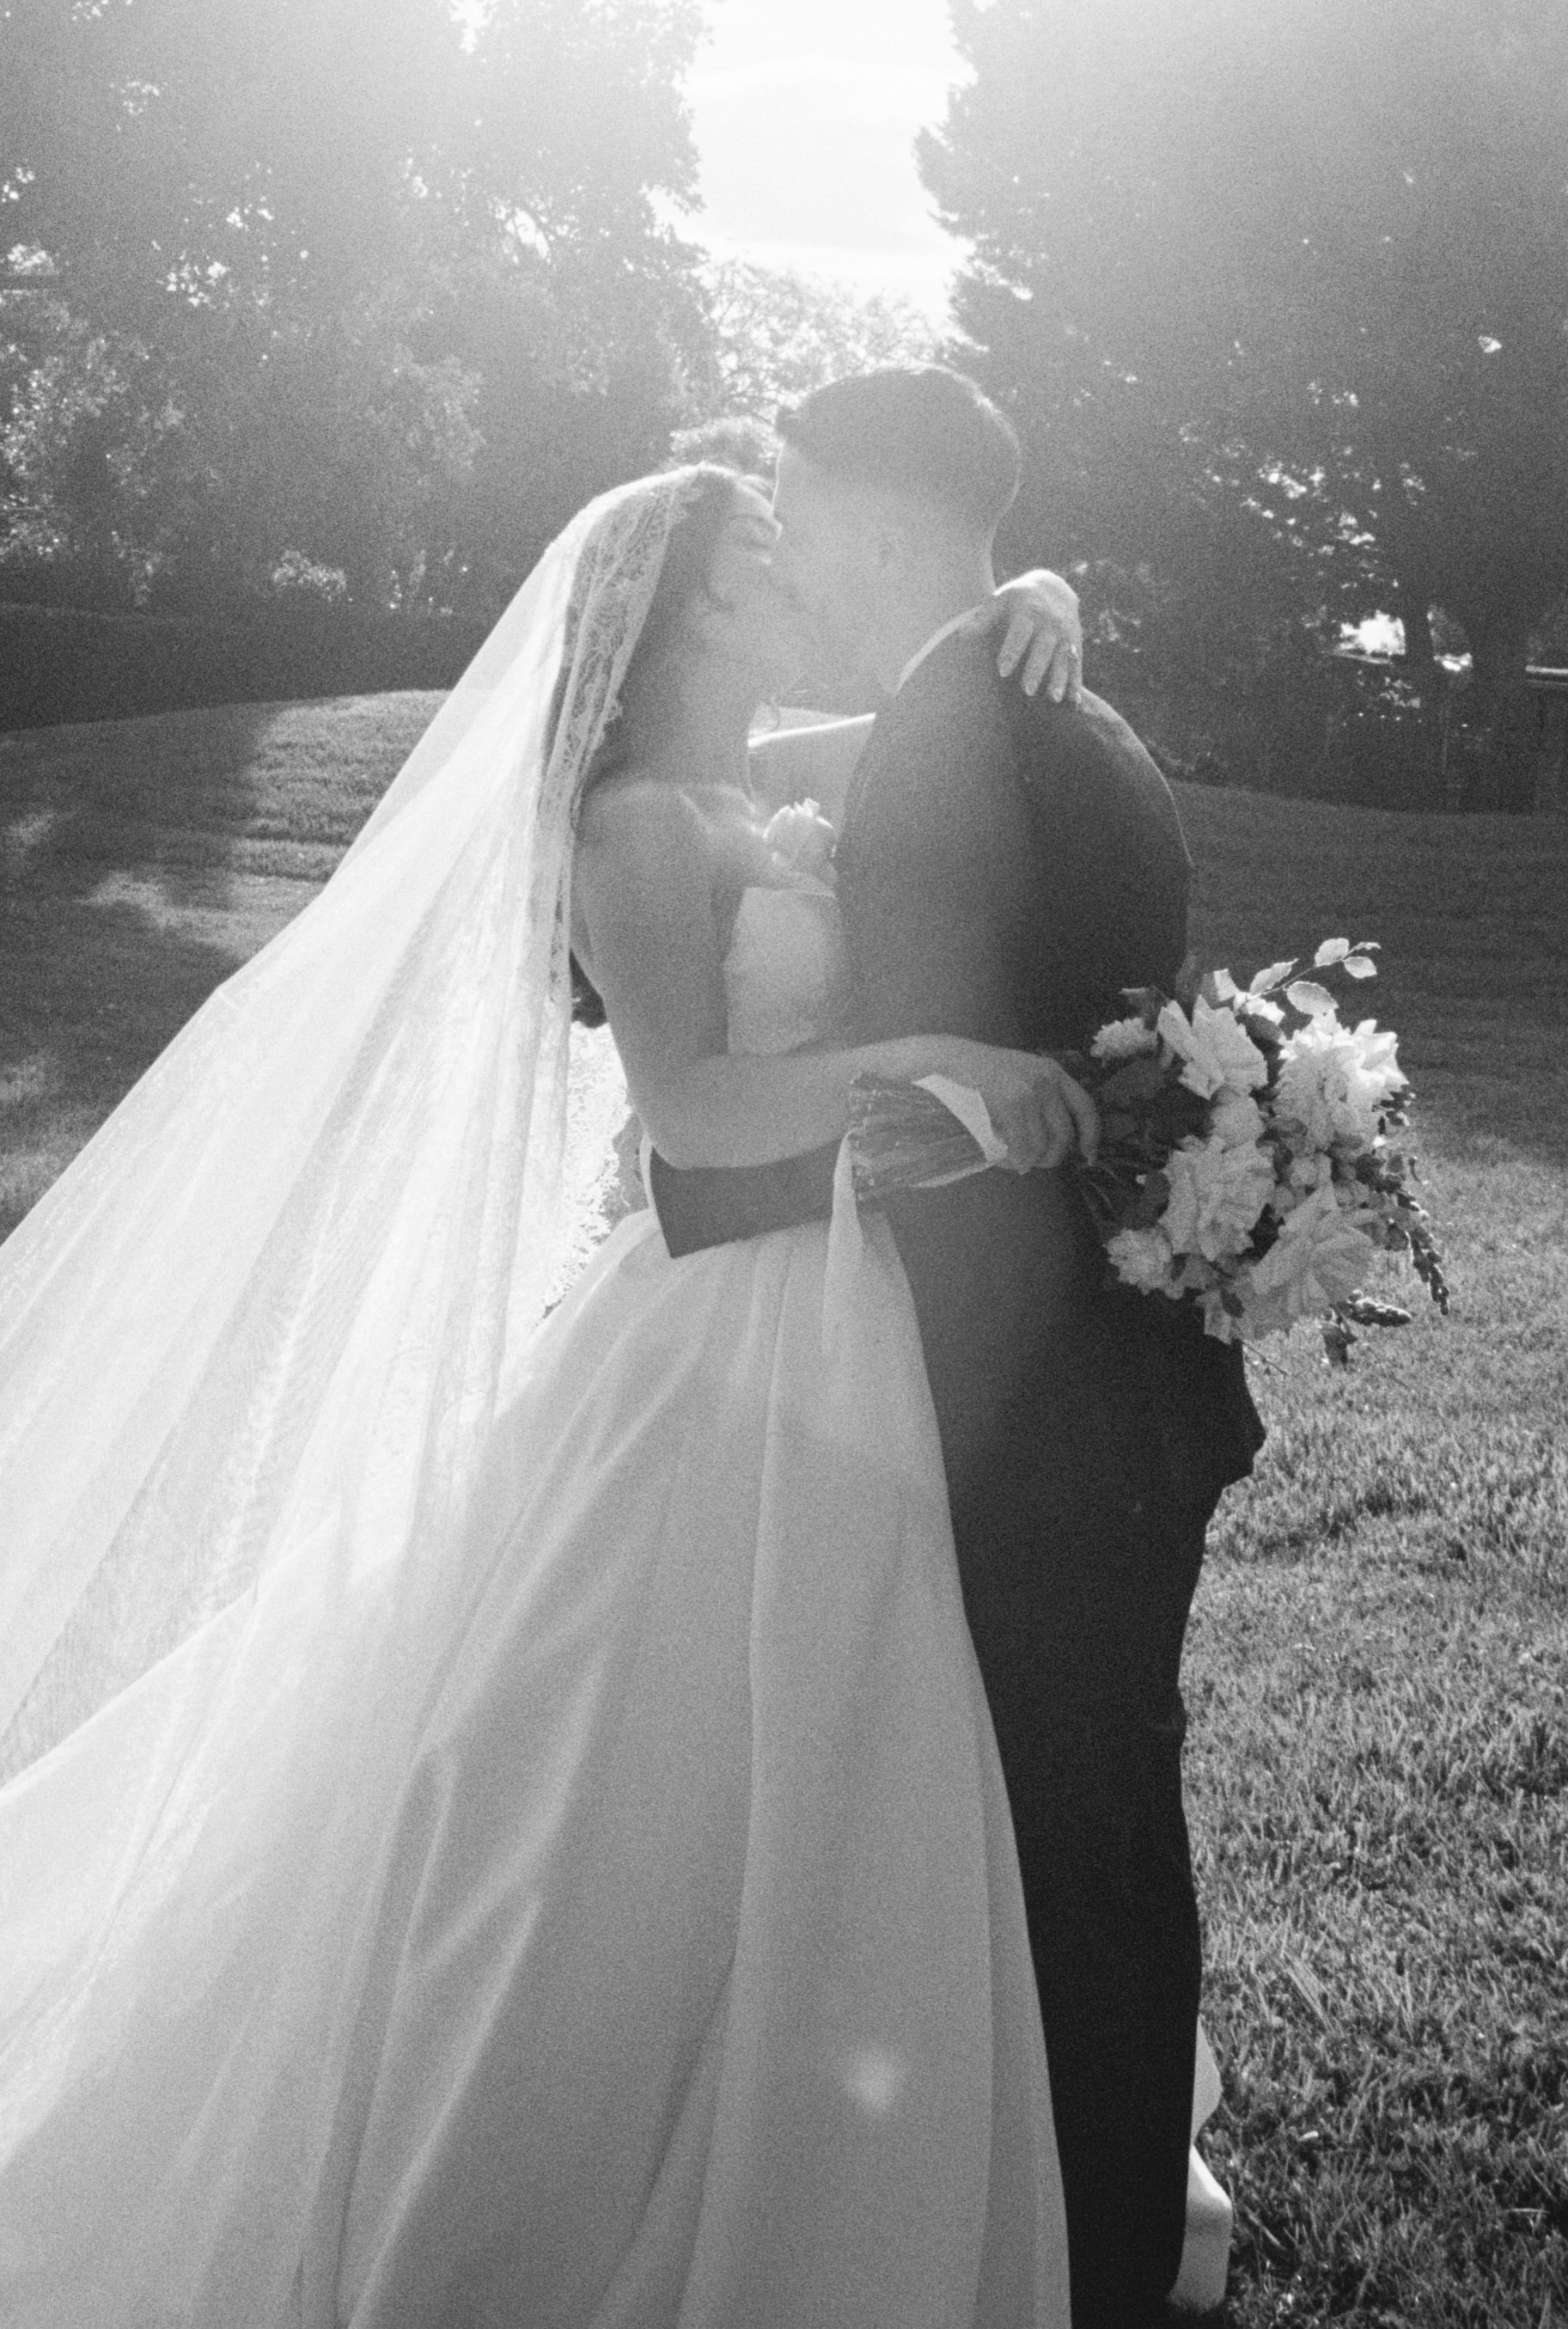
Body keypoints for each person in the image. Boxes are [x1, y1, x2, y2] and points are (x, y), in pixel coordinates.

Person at [0, 459, 1101, 2326]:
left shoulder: (760, 775)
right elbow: (688, 1114)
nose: (791, 572)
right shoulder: (634, 827)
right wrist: (926, 1055)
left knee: (817, 1747)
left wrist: (1047, 595)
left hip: (828, 1320)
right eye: (755, 560)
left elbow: (934, 675)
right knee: (613, 1771)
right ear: (673, 610)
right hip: (705, 1336)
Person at [647, 370, 1266, 2326]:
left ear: (881, 518)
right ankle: (1055, 2225)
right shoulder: (1059, 715)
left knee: (1055, 1833)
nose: (790, 553)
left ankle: (1063, 2255)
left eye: (801, 511)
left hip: (1023, 1405)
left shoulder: (949, 746)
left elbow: (952, 1143)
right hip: (1125, 1377)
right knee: (1079, 1821)